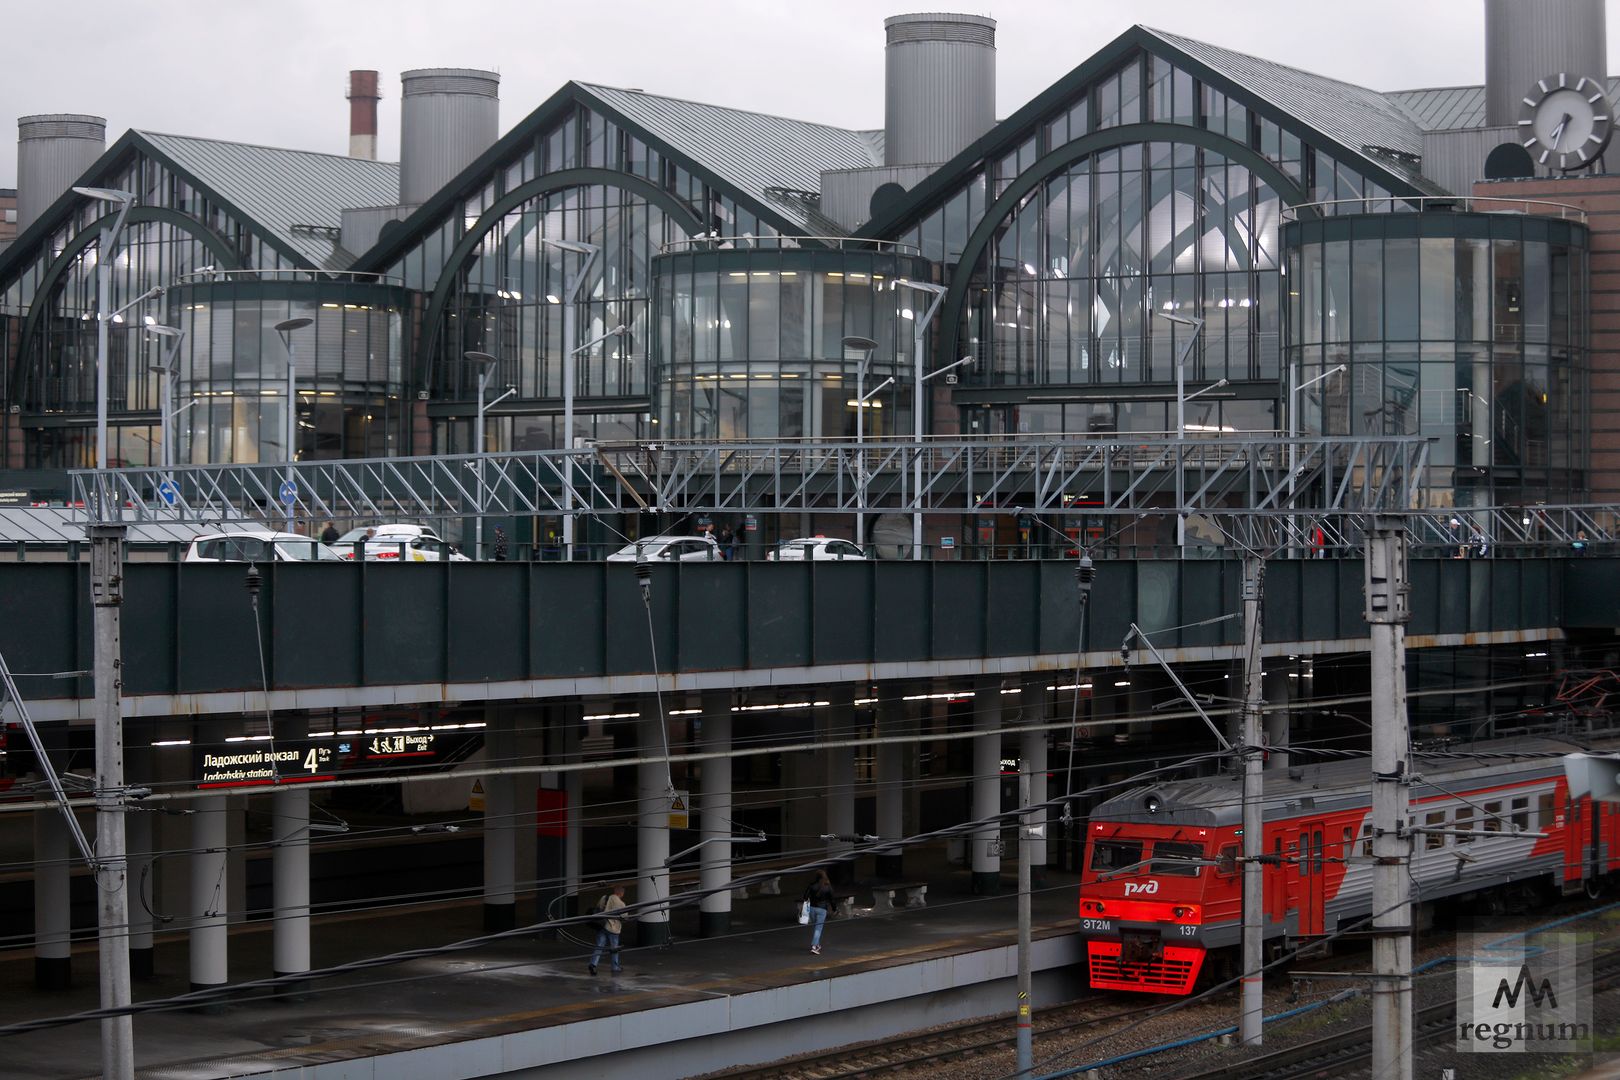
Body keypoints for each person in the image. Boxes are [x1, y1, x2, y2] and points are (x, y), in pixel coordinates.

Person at [589, 884, 626, 975]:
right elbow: (624, 917)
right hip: (613, 929)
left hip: (602, 926)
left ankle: (593, 964)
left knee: (599, 946)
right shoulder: (621, 904)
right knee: (614, 949)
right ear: (621, 894)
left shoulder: (605, 898)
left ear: (614, 891)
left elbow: (598, 907)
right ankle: (615, 967)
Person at [802, 869, 835, 955]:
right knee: (818, 928)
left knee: (816, 927)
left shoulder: (812, 885)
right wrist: (834, 909)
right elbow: (832, 899)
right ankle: (814, 946)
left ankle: (817, 944)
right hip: (822, 909)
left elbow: (805, 896)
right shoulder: (827, 886)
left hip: (812, 909)